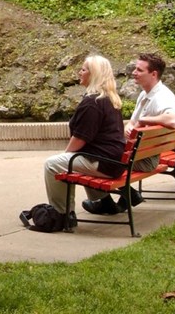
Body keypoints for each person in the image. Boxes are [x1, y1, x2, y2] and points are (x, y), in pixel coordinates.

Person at [82, 52, 175, 215]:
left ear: (153, 74)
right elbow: (134, 122)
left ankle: (105, 201)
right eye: (135, 69)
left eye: (139, 70)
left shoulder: (162, 97)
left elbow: (174, 121)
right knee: (101, 152)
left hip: (145, 159)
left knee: (89, 156)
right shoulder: (145, 94)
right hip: (140, 152)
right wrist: (133, 125)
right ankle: (128, 194)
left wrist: (146, 120)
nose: (134, 72)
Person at [43, 54, 126, 222]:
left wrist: (65, 155)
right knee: (71, 159)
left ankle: (62, 214)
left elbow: (80, 139)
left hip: (104, 163)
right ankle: (103, 202)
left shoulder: (92, 103)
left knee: (52, 164)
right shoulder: (109, 98)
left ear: (93, 74)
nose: (79, 72)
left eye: (83, 69)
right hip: (113, 161)